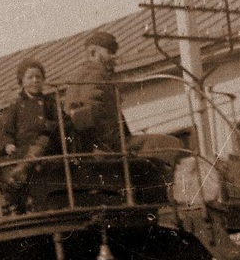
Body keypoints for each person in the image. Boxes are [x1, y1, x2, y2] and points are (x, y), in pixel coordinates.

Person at [63, 30, 183, 165]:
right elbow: (88, 117)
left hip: (106, 145)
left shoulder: (88, 76)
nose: (115, 57)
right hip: (108, 147)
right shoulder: (92, 77)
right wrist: (110, 144)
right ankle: (168, 184)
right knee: (171, 144)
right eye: (110, 52)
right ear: (93, 53)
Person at [0, 60, 62, 212]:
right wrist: (8, 144)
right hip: (23, 148)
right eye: (30, 77)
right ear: (22, 81)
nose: (35, 80)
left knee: (43, 142)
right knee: (6, 167)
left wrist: (49, 125)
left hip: (46, 146)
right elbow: (5, 131)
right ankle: (15, 196)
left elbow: (62, 122)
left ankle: (22, 170)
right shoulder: (15, 106)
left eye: (38, 77)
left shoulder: (50, 102)